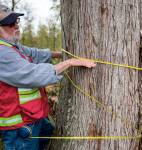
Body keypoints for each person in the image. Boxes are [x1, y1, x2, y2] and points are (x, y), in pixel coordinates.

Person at [0, 4, 96, 150]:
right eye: (10, 23)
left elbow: (33, 54)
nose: (16, 26)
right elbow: (33, 74)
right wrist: (70, 62)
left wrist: (60, 54)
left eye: (16, 21)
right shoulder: (3, 53)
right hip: (18, 128)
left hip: (33, 118)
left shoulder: (11, 46)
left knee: (49, 136)